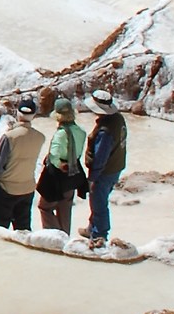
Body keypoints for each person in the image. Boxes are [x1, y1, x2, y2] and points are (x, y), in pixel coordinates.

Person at [0, 99, 45, 231]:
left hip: (5, 188)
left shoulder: (9, 137)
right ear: (34, 115)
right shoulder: (40, 137)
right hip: (27, 188)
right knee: (23, 230)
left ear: (17, 114)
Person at [83, 90, 128, 244]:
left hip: (104, 171)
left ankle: (99, 235)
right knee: (100, 199)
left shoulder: (105, 131)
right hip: (116, 166)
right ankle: (91, 227)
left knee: (99, 202)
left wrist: (93, 177)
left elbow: (100, 157)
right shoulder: (118, 119)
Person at [36, 101, 89, 233]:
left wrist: (60, 165)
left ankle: (54, 234)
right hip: (74, 172)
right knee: (65, 208)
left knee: (45, 207)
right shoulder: (81, 132)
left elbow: (54, 156)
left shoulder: (60, 134)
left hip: (58, 174)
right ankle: (65, 235)